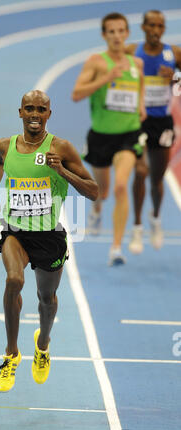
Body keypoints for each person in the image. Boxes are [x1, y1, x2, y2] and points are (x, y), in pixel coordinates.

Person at [0, 90, 98, 392]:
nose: (35, 114)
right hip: (14, 231)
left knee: (46, 300)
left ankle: (43, 345)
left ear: (49, 114)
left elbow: (93, 191)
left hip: (49, 235)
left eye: (41, 109)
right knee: (13, 280)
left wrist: (61, 170)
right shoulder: (5, 146)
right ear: (20, 112)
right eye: (29, 109)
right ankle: (11, 354)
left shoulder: (61, 148)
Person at [71, 12, 146, 266]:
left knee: (121, 186)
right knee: (101, 192)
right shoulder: (96, 62)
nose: (116, 36)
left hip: (129, 134)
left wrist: (141, 106)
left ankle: (116, 247)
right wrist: (107, 78)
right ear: (104, 35)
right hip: (101, 136)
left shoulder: (137, 64)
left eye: (120, 31)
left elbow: (140, 89)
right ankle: (98, 208)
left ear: (127, 33)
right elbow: (76, 94)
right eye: (111, 31)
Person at [126, 10, 181, 254]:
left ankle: (155, 219)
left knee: (157, 179)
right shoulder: (131, 52)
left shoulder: (174, 54)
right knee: (140, 172)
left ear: (163, 28)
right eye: (152, 25)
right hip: (138, 122)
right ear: (144, 27)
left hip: (163, 123)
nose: (156, 30)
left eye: (160, 26)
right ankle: (137, 227)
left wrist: (176, 77)